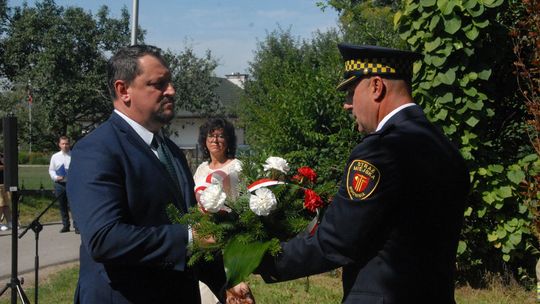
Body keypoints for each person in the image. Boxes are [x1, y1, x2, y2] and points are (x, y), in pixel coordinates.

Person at [256, 43, 470, 303]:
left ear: (376, 87)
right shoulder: (445, 148)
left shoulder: (380, 150)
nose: (347, 105)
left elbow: (336, 241)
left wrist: (259, 259)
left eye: (350, 92)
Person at [67, 44, 253, 304]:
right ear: (123, 90)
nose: (171, 91)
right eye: (159, 84)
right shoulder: (97, 149)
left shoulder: (171, 152)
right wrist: (188, 237)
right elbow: (103, 238)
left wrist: (226, 284)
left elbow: (193, 227)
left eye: (170, 82)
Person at [194, 118, 242, 304]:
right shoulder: (200, 168)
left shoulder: (237, 166)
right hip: (202, 238)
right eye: (211, 136)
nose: (215, 140)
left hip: (226, 237)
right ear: (204, 141)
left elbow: (241, 202)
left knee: (228, 290)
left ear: (228, 140)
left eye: (221, 136)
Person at [49, 136, 77, 233]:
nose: (65, 146)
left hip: (72, 184)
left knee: (73, 205)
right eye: (63, 144)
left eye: (67, 143)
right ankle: (66, 225)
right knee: (62, 205)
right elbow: (51, 170)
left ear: (69, 144)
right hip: (60, 184)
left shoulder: (74, 155)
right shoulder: (55, 157)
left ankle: (77, 226)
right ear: (59, 145)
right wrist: (56, 177)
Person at [0, 152, 13, 231]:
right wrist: (5, 166)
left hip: (5, 184)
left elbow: (9, 166)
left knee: (6, 204)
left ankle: (9, 222)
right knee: (0, 205)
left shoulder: (2, 155)